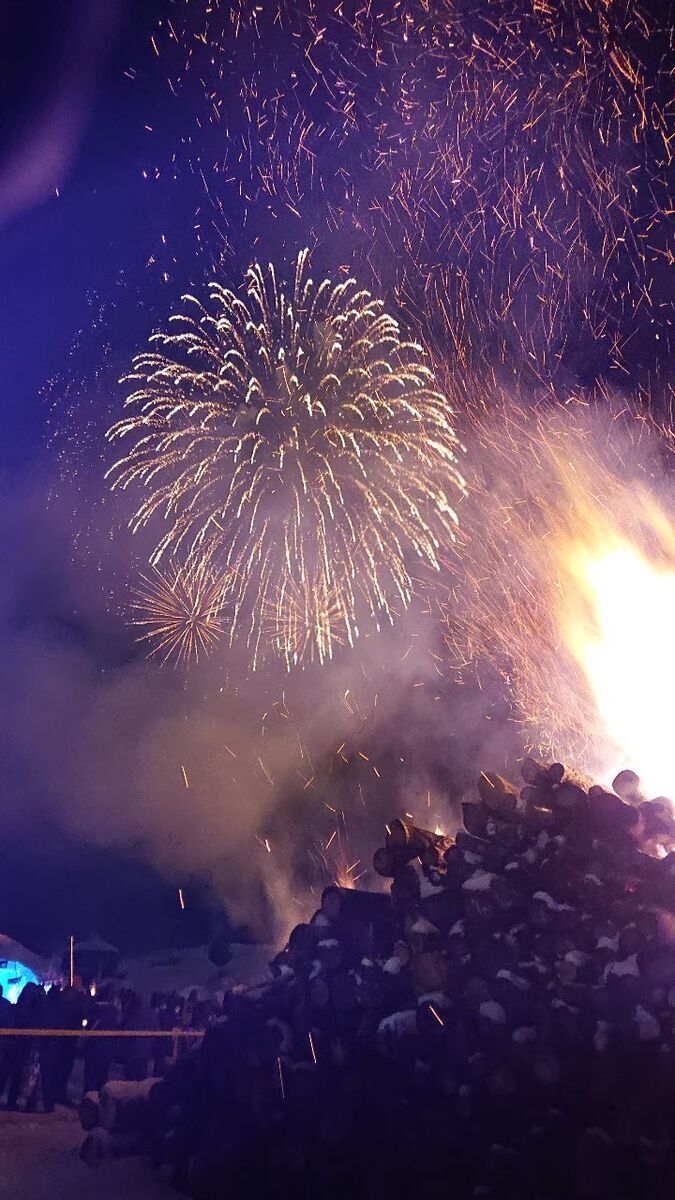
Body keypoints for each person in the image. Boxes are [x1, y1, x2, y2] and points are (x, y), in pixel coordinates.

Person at [53, 978, 87, 1105]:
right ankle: (58, 1093)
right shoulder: (73, 1001)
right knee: (63, 1068)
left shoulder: (65, 999)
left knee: (61, 1068)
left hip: (65, 1040)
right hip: (66, 1040)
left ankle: (57, 1092)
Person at [83, 984, 119, 1096]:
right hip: (107, 1049)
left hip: (93, 1047)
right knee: (102, 1076)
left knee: (90, 1076)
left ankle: (88, 1099)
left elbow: (87, 1025)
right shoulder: (114, 1011)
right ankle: (98, 1101)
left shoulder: (94, 1009)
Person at [121, 991, 157, 1082]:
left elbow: (124, 1027)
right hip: (144, 1050)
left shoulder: (131, 1012)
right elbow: (156, 1029)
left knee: (131, 1077)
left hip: (132, 1050)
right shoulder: (151, 1013)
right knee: (140, 1076)